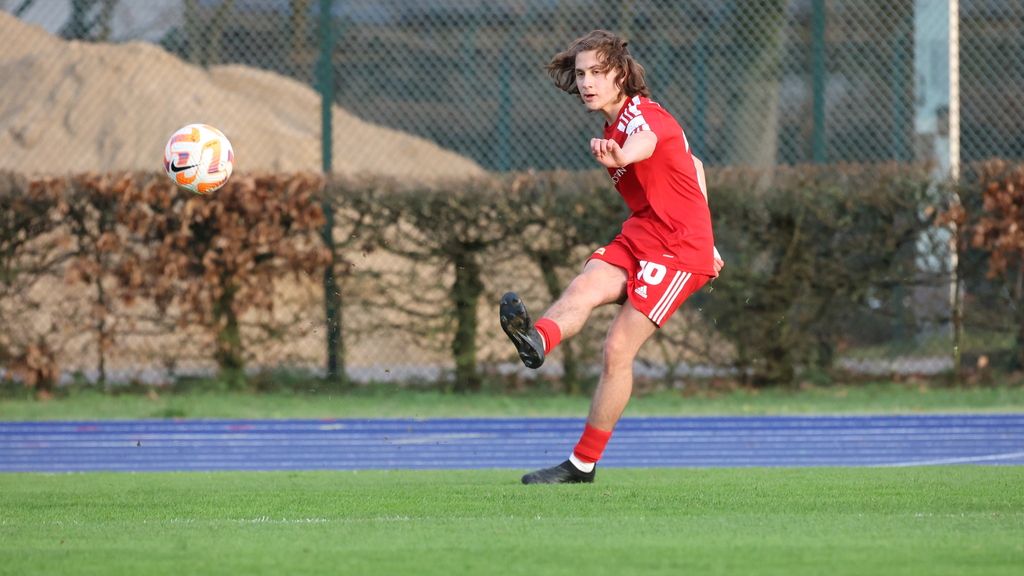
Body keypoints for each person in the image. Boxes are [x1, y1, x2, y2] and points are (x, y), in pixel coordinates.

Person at [500, 30, 724, 484]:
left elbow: (647, 141)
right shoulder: (613, 126)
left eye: (598, 72)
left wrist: (705, 241)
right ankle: (537, 342)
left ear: (621, 75)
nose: (587, 82)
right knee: (584, 285)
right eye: (581, 73)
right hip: (643, 232)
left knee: (617, 349)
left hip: (678, 248)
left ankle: (582, 465)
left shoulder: (645, 118)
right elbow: (694, 165)